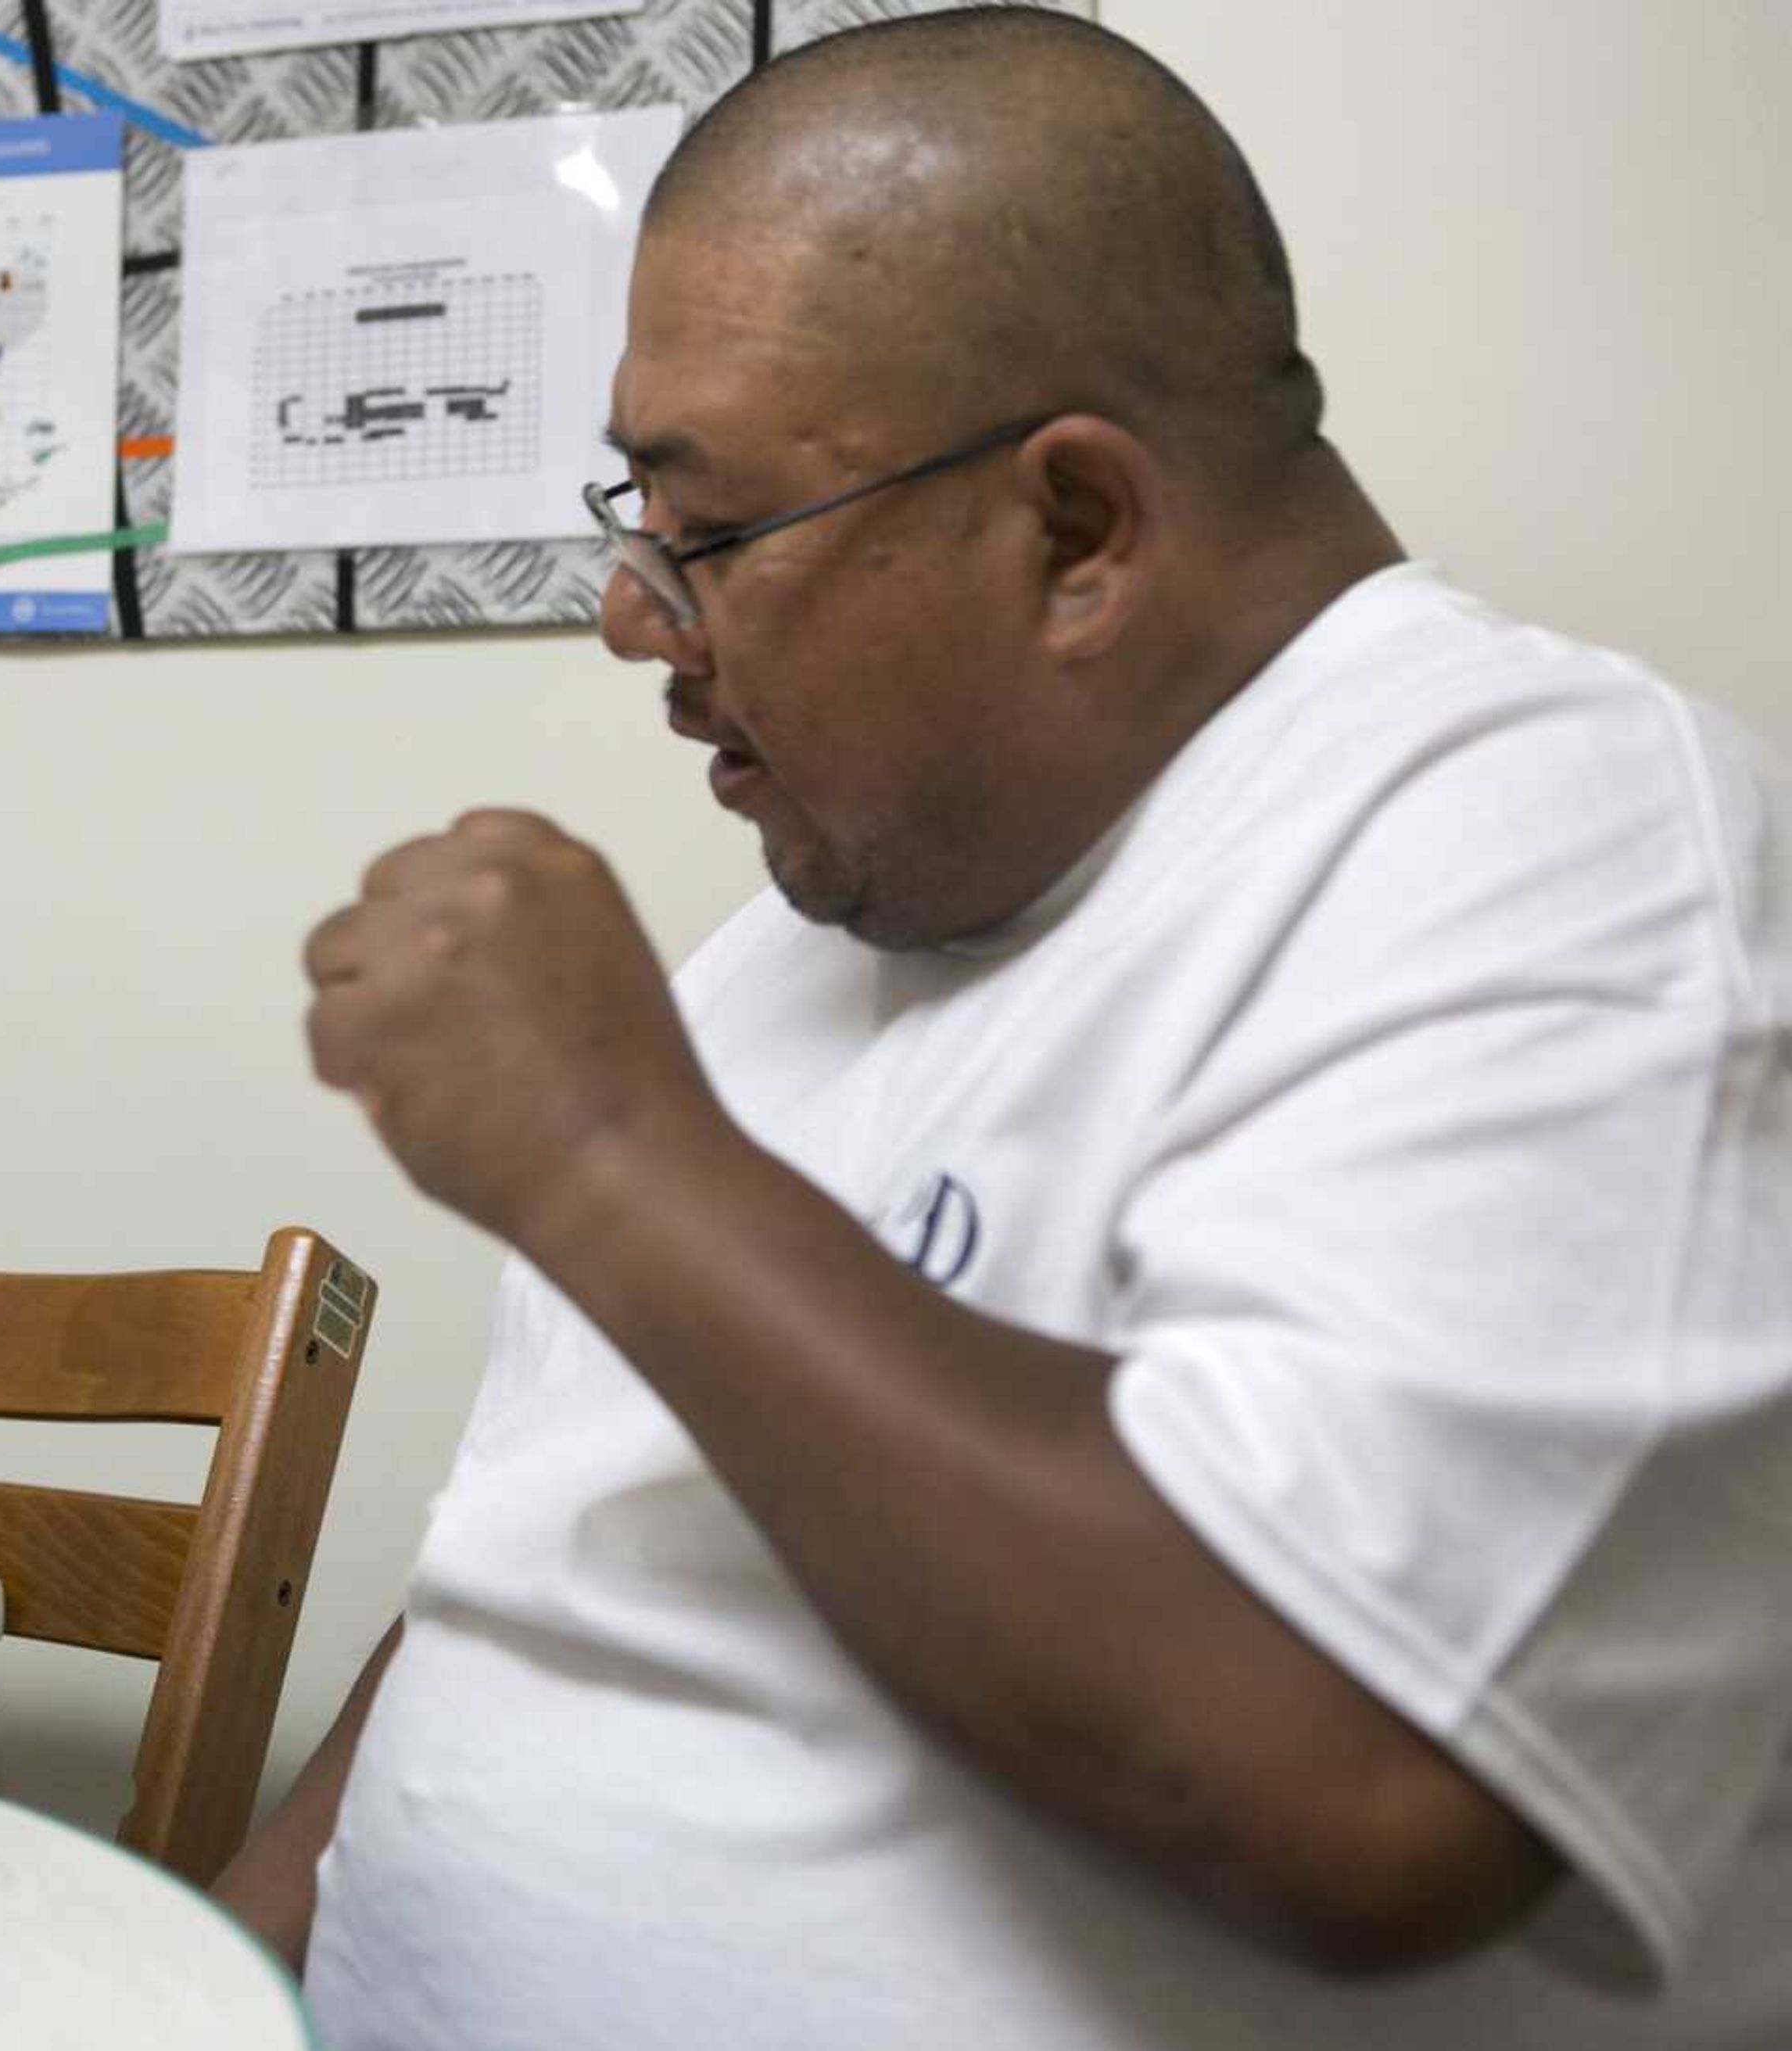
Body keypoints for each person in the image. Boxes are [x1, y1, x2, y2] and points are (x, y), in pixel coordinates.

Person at [224, 11, 1792, 2046]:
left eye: (703, 534)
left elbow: (1364, 1781)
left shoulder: (1555, 835)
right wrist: (215, 1966)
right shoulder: (825, 917)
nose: (631, 614)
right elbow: (541, 1570)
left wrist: (609, 1158)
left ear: (1077, 531)